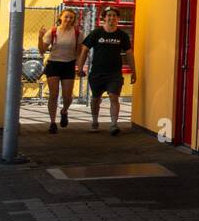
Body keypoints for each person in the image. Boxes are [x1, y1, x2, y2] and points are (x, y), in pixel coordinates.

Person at [76, 7, 136, 135]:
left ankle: (114, 124)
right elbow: (85, 50)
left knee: (114, 97)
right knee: (95, 98)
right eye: (109, 15)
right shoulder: (96, 33)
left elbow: (129, 54)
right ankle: (94, 121)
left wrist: (134, 71)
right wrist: (80, 67)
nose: (111, 18)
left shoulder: (122, 35)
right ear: (104, 18)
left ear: (118, 19)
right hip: (97, 72)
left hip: (114, 73)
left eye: (114, 15)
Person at [38, 9, 80, 134]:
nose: (68, 20)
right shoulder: (53, 31)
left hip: (69, 65)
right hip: (54, 64)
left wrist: (79, 65)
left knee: (68, 97)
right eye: (66, 17)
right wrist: (40, 37)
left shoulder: (77, 33)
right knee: (54, 94)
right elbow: (42, 50)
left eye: (71, 18)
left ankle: (64, 111)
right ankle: (52, 123)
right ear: (60, 17)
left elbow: (80, 51)